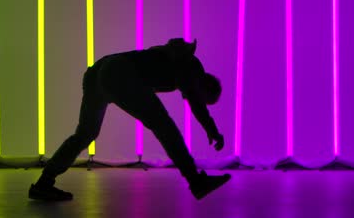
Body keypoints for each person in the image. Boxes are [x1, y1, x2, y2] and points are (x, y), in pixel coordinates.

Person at [29, 38, 230, 201]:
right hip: (119, 73)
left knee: (85, 134)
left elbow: (195, 100)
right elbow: (197, 104)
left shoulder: (180, 63)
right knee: (164, 125)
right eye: (206, 99)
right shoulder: (193, 68)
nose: (193, 98)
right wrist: (212, 130)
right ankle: (196, 181)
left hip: (98, 71)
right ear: (205, 86)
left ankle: (44, 184)